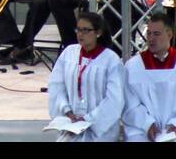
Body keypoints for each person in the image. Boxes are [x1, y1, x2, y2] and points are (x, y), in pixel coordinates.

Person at [47, 11, 125, 142]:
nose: (80, 34)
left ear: (98, 33)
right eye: (78, 30)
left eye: (86, 30)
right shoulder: (69, 53)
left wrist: (88, 119)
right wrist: (67, 111)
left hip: (100, 130)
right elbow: (56, 87)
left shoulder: (111, 60)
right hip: (71, 125)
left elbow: (115, 98)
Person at [124, 14, 176, 142]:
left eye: (157, 34)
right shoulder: (133, 66)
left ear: (170, 35)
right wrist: (147, 124)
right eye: (149, 33)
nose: (151, 39)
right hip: (143, 131)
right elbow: (130, 104)